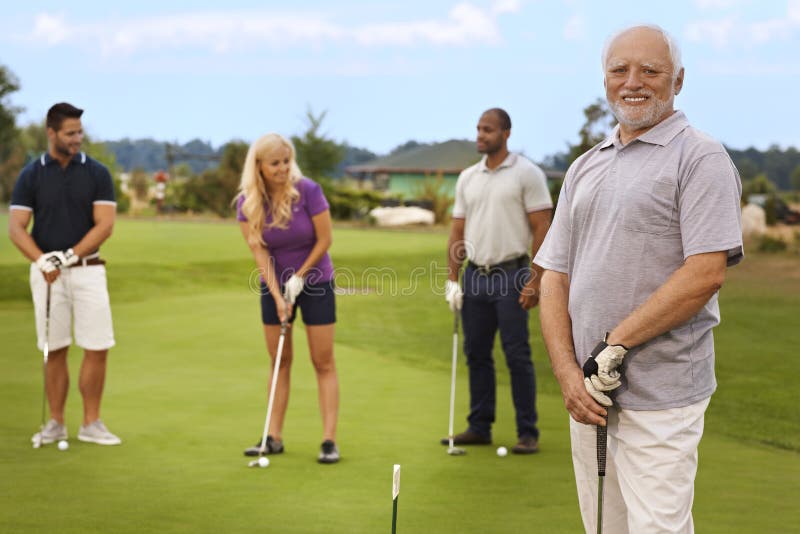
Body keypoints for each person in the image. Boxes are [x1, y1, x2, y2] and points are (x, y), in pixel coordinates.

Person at [535, 25, 743, 533]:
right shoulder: (585, 166)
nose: (634, 82)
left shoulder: (700, 157)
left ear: (678, 80)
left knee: (657, 529)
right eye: (620, 70)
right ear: (605, 79)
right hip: (590, 394)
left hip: (663, 392)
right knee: (603, 526)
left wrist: (615, 344)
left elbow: (705, 273)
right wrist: (568, 373)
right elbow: (554, 274)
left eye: (650, 71)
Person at [8, 102, 122, 446]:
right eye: (71, 133)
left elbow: (105, 225)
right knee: (54, 348)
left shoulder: (97, 173)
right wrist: (41, 260)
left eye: (80, 132)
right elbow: (16, 228)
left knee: (97, 346)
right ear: (52, 133)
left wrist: (69, 256)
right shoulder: (31, 175)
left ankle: (91, 423)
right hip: (46, 275)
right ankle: (56, 422)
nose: (78, 138)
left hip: (88, 271)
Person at [442, 108, 553, 454]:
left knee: (516, 353)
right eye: (478, 129)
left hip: (513, 274)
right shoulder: (468, 177)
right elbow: (457, 230)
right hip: (475, 275)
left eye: (487, 129)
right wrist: (452, 280)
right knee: (476, 353)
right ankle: (479, 426)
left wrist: (536, 280)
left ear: (506, 133)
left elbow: (542, 228)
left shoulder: (527, 173)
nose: (480, 135)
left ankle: (527, 432)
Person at [236, 133, 340, 464]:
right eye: (275, 163)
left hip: (317, 281)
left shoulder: (308, 190)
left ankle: (328, 441)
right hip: (275, 285)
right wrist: (279, 295)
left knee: (322, 361)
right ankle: (273, 436)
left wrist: (299, 277)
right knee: (279, 360)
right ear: (259, 167)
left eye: (286, 161)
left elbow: (325, 240)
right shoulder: (247, 203)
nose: (283, 168)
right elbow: (259, 251)